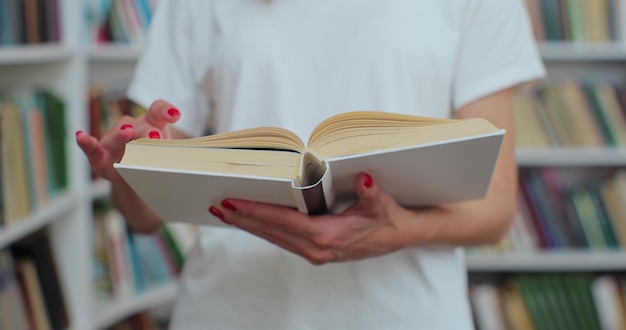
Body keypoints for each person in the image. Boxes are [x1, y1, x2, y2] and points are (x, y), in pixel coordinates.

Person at [76, 0, 545, 329]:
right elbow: (139, 217)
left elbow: (497, 209)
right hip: (229, 311)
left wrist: (403, 229)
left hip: (406, 315)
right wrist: (135, 168)